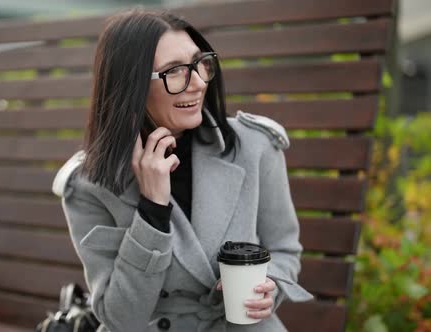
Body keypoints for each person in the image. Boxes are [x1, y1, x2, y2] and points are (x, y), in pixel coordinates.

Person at [52, 8, 313, 332]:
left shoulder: (254, 146)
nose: (198, 82)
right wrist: (151, 211)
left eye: (200, 63)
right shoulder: (91, 184)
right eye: (175, 71)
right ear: (131, 85)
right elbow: (121, 318)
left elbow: (285, 250)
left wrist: (269, 287)